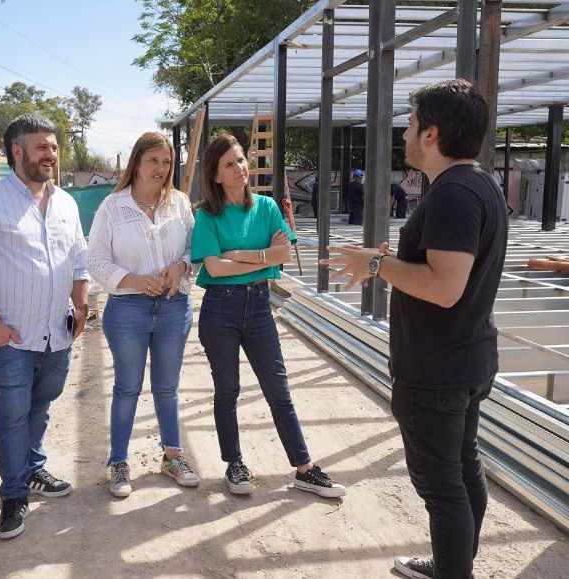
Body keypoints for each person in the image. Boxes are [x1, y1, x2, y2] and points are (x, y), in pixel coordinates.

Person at [320, 79, 508, 579]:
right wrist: (388, 257)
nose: (403, 133)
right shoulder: (480, 184)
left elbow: (445, 287)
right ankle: (454, 565)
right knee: (462, 468)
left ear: (431, 133)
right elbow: (451, 270)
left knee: (442, 486)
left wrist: (379, 268)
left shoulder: (452, 194)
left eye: (409, 124)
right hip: (465, 359)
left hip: (437, 369)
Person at [0, 113, 89, 540]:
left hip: (58, 333)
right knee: (12, 416)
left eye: (53, 146)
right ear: (17, 151)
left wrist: (81, 304)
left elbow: (79, 258)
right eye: (41, 147)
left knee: (40, 407)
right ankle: (13, 494)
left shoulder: (67, 203)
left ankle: (33, 470)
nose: (51, 154)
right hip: (10, 338)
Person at [191, 134, 347, 498]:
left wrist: (244, 255)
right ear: (215, 175)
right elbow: (214, 267)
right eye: (229, 164)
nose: (240, 168)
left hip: (260, 306)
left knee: (279, 389)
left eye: (242, 160)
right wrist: (262, 255)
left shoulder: (267, 208)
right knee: (227, 389)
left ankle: (305, 469)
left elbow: (283, 257)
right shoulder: (207, 215)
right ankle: (235, 464)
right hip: (221, 309)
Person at [87, 131, 199, 498]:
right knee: (127, 387)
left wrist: (180, 267)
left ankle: (171, 456)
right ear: (136, 161)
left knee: (167, 387)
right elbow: (96, 260)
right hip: (127, 310)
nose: (161, 168)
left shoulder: (179, 204)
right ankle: (118, 462)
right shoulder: (113, 207)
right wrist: (132, 279)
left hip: (172, 308)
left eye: (167, 162)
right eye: (153, 160)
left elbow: (197, 248)